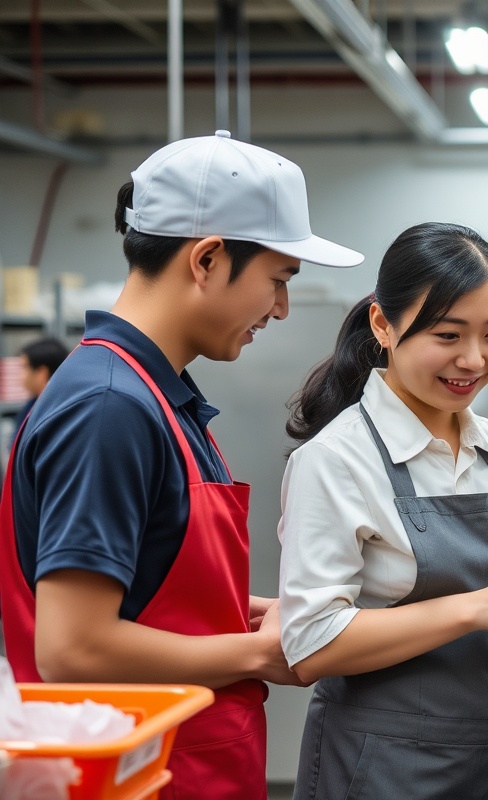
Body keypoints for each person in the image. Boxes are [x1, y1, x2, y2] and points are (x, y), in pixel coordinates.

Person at [0, 131, 363, 800]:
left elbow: (144, 589)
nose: (281, 308)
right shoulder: (109, 408)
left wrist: (251, 612)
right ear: (207, 259)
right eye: (278, 280)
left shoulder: (154, 396)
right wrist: (261, 652)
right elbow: (73, 649)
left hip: (184, 769)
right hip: (139, 778)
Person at [278, 222, 488, 800]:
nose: (473, 359)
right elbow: (311, 646)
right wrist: (475, 608)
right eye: (448, 335)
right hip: (375, 771)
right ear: (383, 325)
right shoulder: (336, 460)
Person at [16, 337, 70, 427]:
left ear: (42, 373)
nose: (20, 375)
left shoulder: (54, 415)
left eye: (25, 367)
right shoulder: (31, 405)